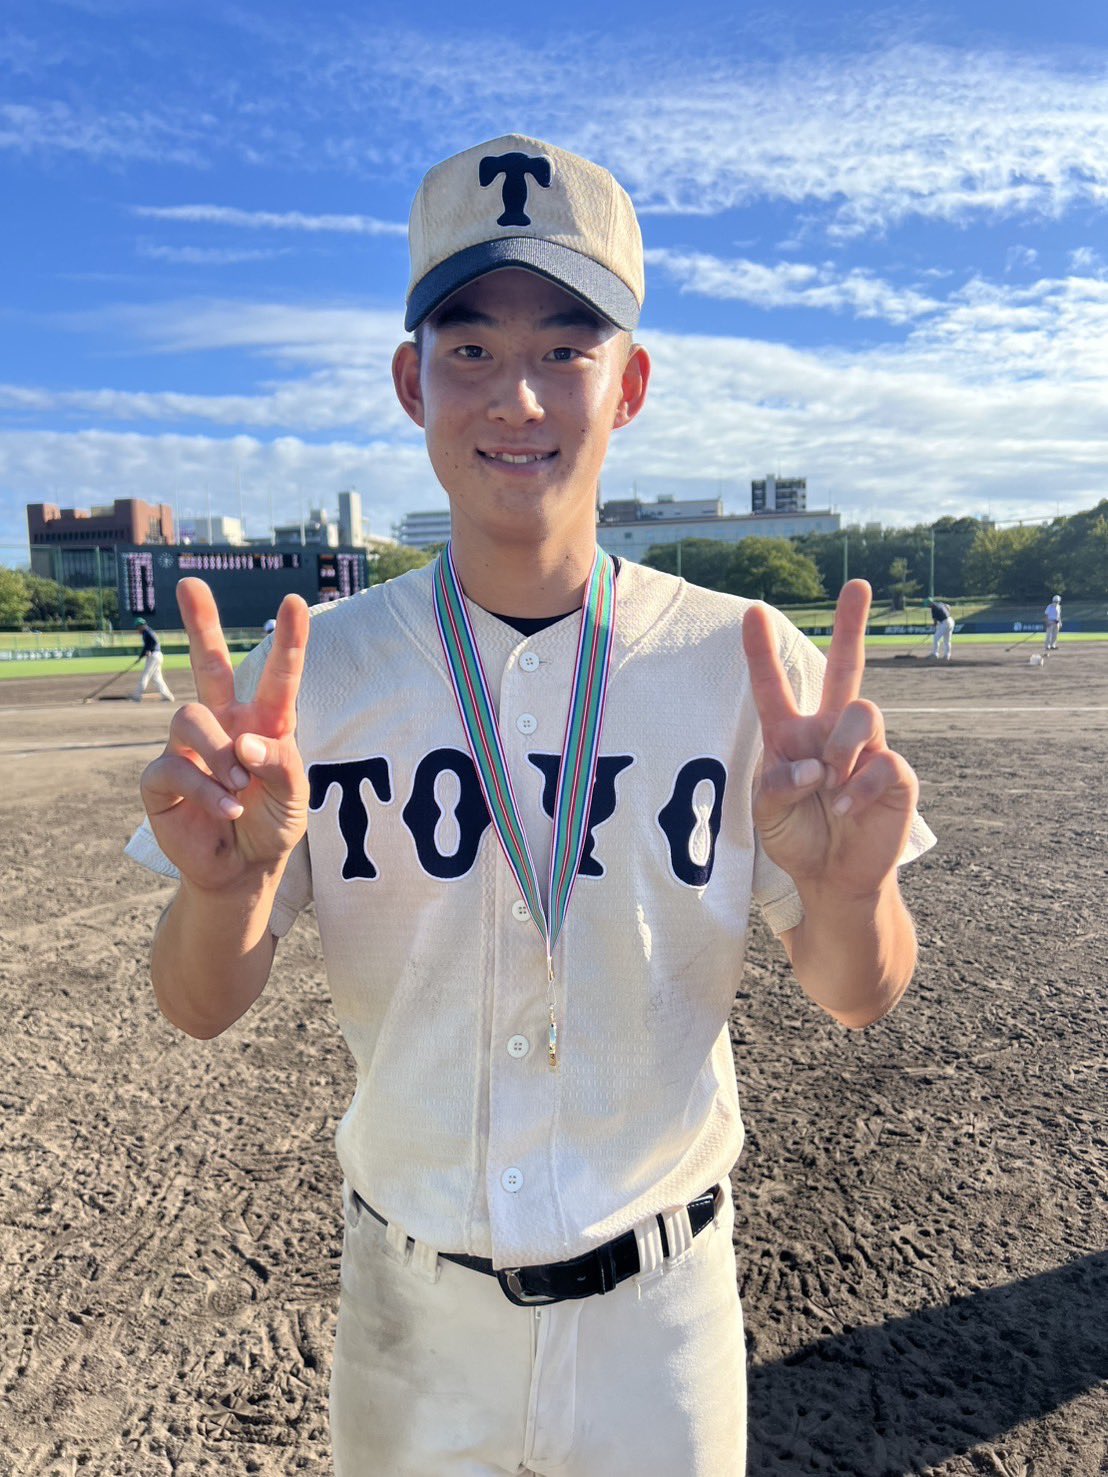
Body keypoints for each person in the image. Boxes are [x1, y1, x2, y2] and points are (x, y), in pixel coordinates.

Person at [126, 135, 935, 1476]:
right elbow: (199, 1004)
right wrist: (226, 891)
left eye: (568, 346)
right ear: (411, 380)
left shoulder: (745, 659)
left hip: (660, 1324)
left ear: (631, 385)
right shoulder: (315, 675)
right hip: (409, 1314)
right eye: (470, 347)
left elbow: (859, 991)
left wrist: (856, 893)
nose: (519, 393)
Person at [131, 615, 174, 702]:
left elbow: (154, 642)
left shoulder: (147, 632)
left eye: (137, 627)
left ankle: (137, 696)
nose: (137, 629)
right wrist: (141, 657)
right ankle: (167, 696)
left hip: (154, 656)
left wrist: (149, 650)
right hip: (157, 655)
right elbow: (146, 647)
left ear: (141, 626)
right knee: (157, 678)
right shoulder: (147, 632)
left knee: (145, 675)